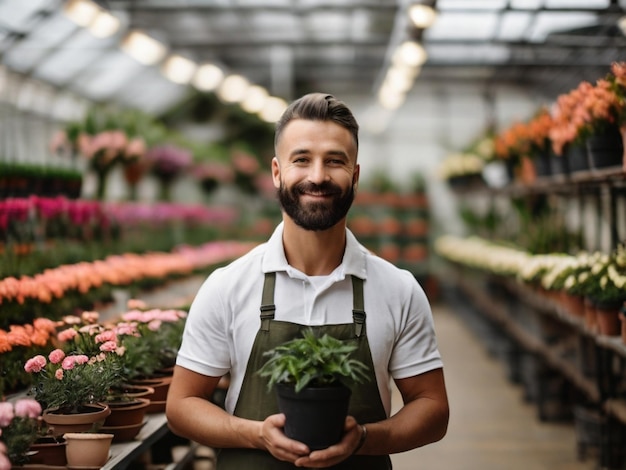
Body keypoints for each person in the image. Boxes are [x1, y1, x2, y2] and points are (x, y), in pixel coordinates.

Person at [166, 93, 449, 469]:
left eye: (335, 161)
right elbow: (181, 406)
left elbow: (432, 407)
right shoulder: (228, 286)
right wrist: (255, 434)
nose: (318, 176)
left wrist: (365, 438)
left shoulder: (398, 289)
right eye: (302, 159)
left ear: (356, 175)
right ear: (277, 172)